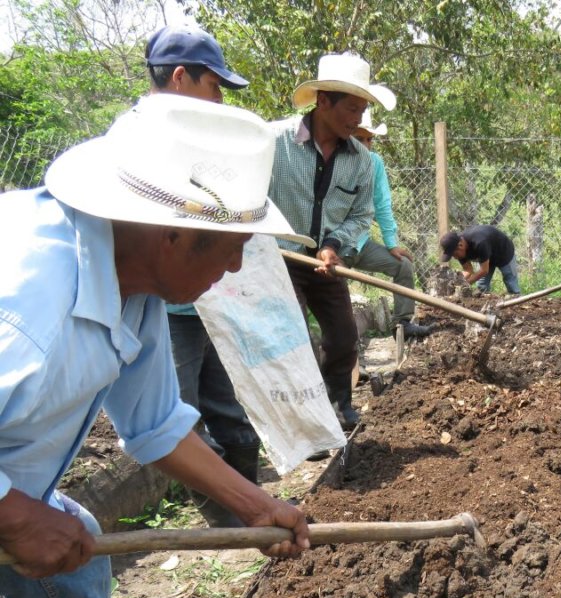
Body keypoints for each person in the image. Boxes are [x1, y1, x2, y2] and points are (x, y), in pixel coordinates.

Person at [0, 96, 312, 598]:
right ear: (172, 235)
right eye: (230, 249)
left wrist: (259, 508)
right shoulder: (27, 303)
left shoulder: (131, 282)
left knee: (78, 564)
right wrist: (12, 513)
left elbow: (157, 428)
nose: (232, 269)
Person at [145, 25, 260, 526]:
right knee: (182, 411)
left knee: (226, 402)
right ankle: (230, 523)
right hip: (165, 308)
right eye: (214, 86)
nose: (219, 100)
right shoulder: (144, 144)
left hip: (208, 298)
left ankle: (252, 508)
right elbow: (157, 429)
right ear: (178, 77)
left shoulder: (203, 141)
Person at [270, 52, 396, 429]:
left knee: (343, 336)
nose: (359, 120)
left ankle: (337, 404)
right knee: (292, 341)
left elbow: (361, 215)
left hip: (325, 262)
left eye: (363, 110)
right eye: (353, 109)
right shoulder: (276, 142)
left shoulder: (360, 160)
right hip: (279, 256)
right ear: (323, 101)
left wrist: (333, 245)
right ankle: (302, 423)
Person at [349, 109, 434, 338]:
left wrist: (391, 243)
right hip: (333, 246)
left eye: (370, 139)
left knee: (403, 265)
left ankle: (403, 325)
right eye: (359, 139)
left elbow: (383, 203)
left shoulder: (375, 163)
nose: (366, 145)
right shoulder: (336, 160)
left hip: (361, 242)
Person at [439, 225, 520, 295]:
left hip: (503, 252)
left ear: (460, 245)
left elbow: (484, 270)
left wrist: (466, 284)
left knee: (510, 281)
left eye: (455, 255)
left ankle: (516, 302)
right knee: (481, 286)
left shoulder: (479, 242)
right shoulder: (457, 246)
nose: (455, 258)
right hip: (486, 255)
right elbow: (468, 270)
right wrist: (457, 283)